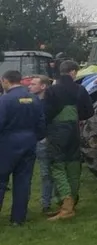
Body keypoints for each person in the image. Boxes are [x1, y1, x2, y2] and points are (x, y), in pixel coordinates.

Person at [42, 60, 93, 221]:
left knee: (57, 166)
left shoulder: (52, 90)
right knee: (73, 165)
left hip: (57, 131)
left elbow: (46, 112)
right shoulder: (80, 89)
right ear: (73, 72)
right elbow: (88, 112)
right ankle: (72, 201)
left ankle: (66, 204)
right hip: (74, 131)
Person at [0, 69, 47, 226]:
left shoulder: (5, 100)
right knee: (23, 182)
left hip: (7, 144)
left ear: (5, 81)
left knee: (1, 181)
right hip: (29, 143)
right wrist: (35, 138)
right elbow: (41, 123)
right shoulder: (34, 99)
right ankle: (18, 219)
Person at [28, 75, 54, 214]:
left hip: (43, 140)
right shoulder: (30, 101)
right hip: (31, 140)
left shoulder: (49, 104)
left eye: (33, 84)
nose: (29, 86)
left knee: (46, 173)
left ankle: (46, 202)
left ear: (43, 86)